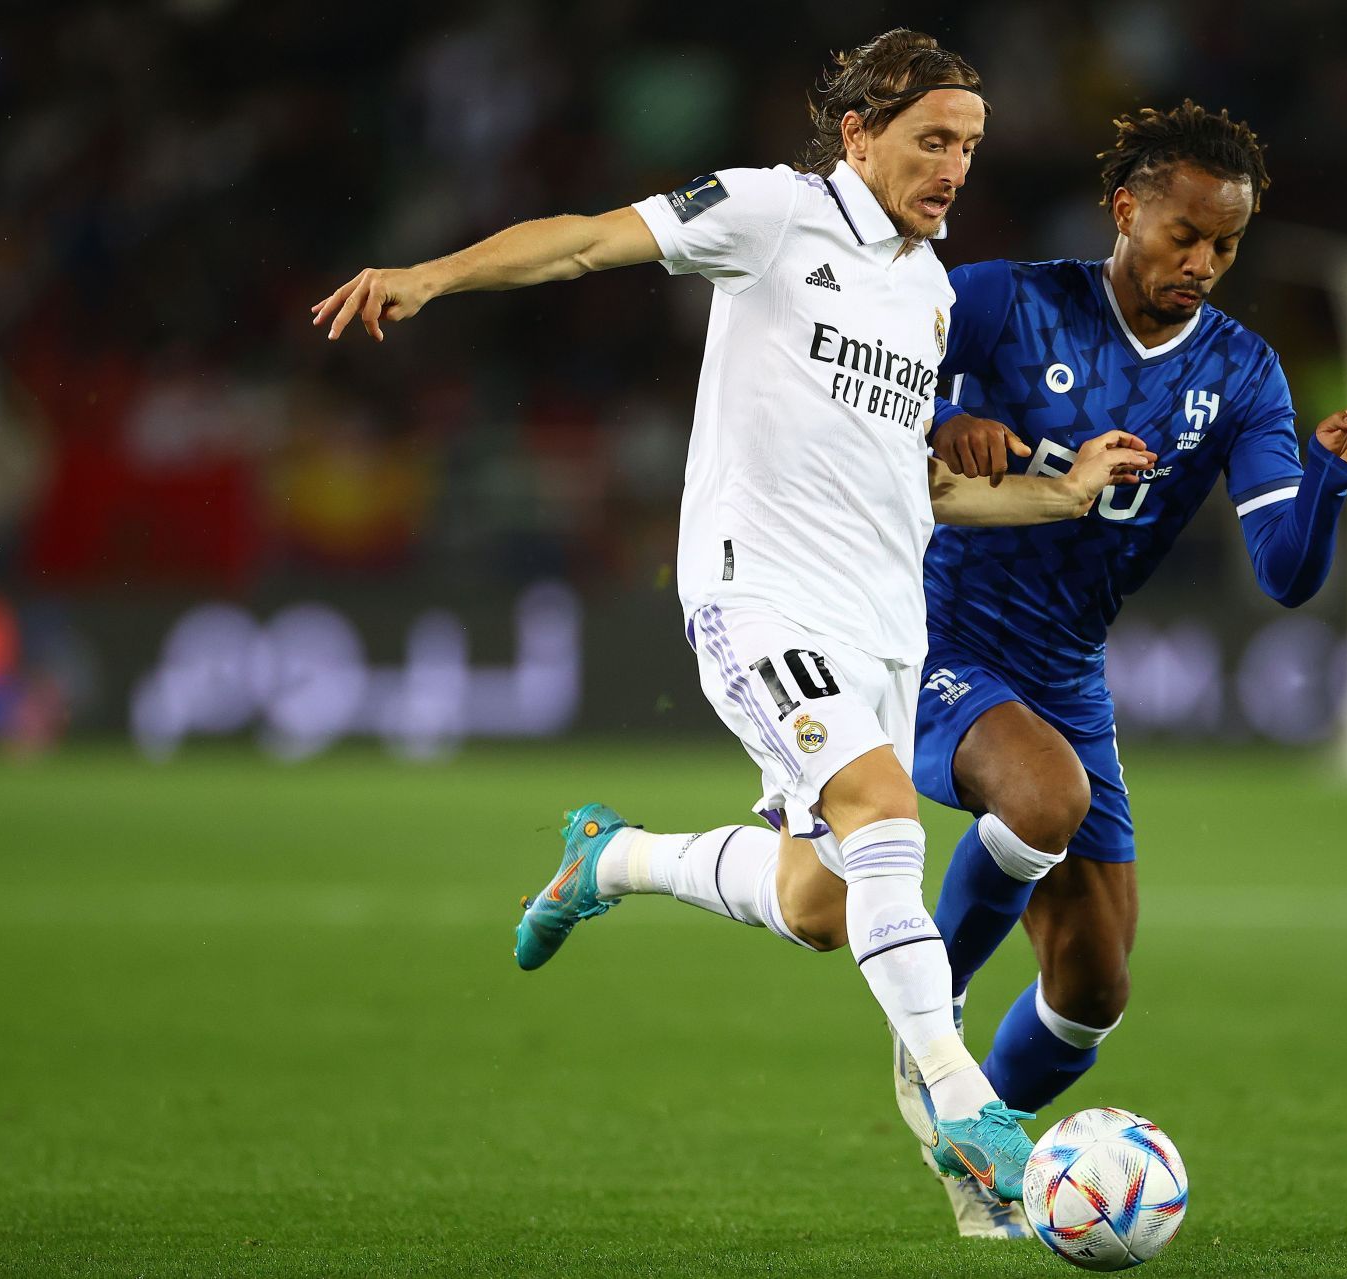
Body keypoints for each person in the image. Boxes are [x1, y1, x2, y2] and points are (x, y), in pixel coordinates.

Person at [310, 30, 1153, 1204]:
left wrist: (1057, 495)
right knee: (883, 809)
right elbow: (586, 243)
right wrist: (430, 275)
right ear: (858, 134)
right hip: (755, 593)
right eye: (931, 140)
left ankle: (615, 858)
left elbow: (911, 482)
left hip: (883, 626)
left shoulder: (925, 295)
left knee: (821, 902)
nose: (954, 167)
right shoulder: (770, 214)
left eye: (967, 145)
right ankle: (966, 1107)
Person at [896, 100, 1347, 1236]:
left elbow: (1285, 572)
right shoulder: (1002, 302)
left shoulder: (1243, 375)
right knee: (1043, 794)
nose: (1205, 263)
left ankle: (980, 1163)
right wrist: (935, 424)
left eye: (1227, 245)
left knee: (1092, 988)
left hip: (1066, 668)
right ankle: (932, 1023)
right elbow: (853, 402)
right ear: (1126, 209)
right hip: (942, 634)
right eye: (1186, 234)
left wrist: (1324, 481)